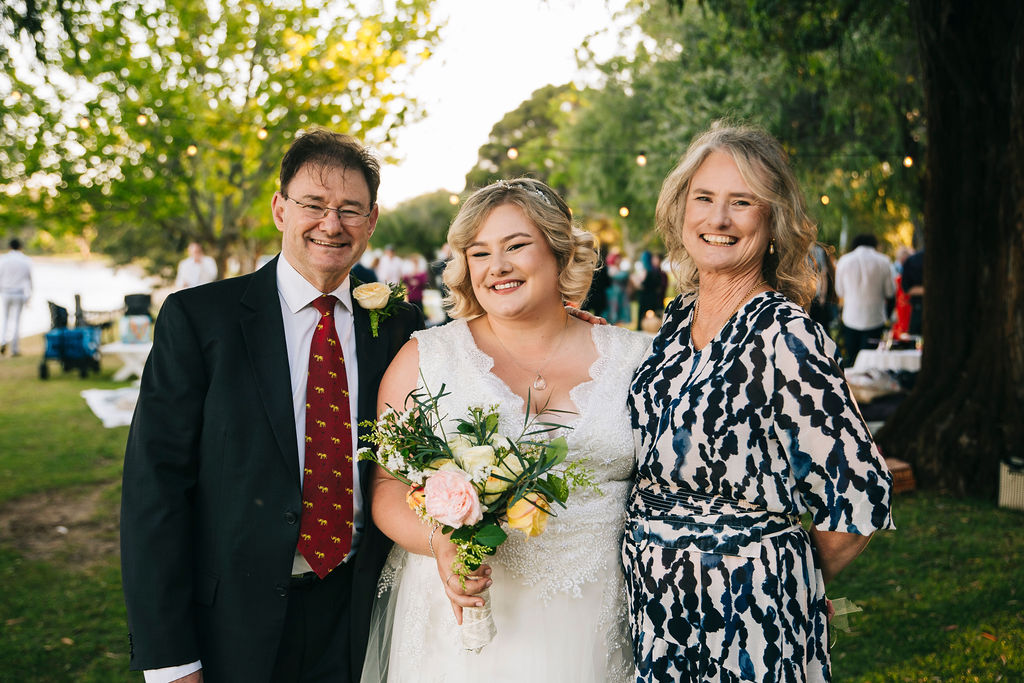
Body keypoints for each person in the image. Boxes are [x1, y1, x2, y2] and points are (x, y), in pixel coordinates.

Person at [120, 129, 425, 683]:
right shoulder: (198, 320)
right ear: (280, 209)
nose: (331, 224)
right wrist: (170, 658)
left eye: (350, 210)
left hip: (358, 614)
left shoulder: (398, 326)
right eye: (314, 204)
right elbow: (154, 489)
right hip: (231, 622)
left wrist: (565, 322)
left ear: (372, 221)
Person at [623, 124, 894, 682]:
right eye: (704, 198)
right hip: (655, 612)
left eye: (742, 202)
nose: (718, 219)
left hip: (746, 621)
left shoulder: (784, 335)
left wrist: (782, 577)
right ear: (681, 210)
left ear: (773, 222)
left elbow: (859, 494)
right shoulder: (676, 322)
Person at [361, 179, 651, 682]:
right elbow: (386, 486)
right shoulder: (425, 358)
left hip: (593, 626)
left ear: (560, 252)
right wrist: (441, 542)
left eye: (516, 246)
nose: (496, 266)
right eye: (479, 253)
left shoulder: (636, 359)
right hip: (461, 633)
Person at [834, 233, 896, 366]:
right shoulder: (884, 261)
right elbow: (890, 292)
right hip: (875, 317)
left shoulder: (844, 261)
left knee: (852, 359)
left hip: (851, 317)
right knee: (870, 361)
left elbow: (839, 291)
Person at [0, 238, 33, 357]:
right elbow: (29, 280)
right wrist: (30, 296)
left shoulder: (3, 259)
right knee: (17, 321)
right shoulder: (25, 260)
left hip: (5, 292)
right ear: (20, 247)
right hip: (19, 293)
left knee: (5, 318)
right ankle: (14, 348)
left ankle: (3, 340)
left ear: (9, 247)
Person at [808, 241, 839, 335]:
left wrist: (822, 296)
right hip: (808, 295)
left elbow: (823, 275)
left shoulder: (818, 251)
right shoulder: (798, 250)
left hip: (815, 295)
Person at [901, 248, 924, 336]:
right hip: (918, 308)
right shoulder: (913, 260)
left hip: (918, 309)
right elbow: (906, 287)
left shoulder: (913, 260)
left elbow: (906, 287)